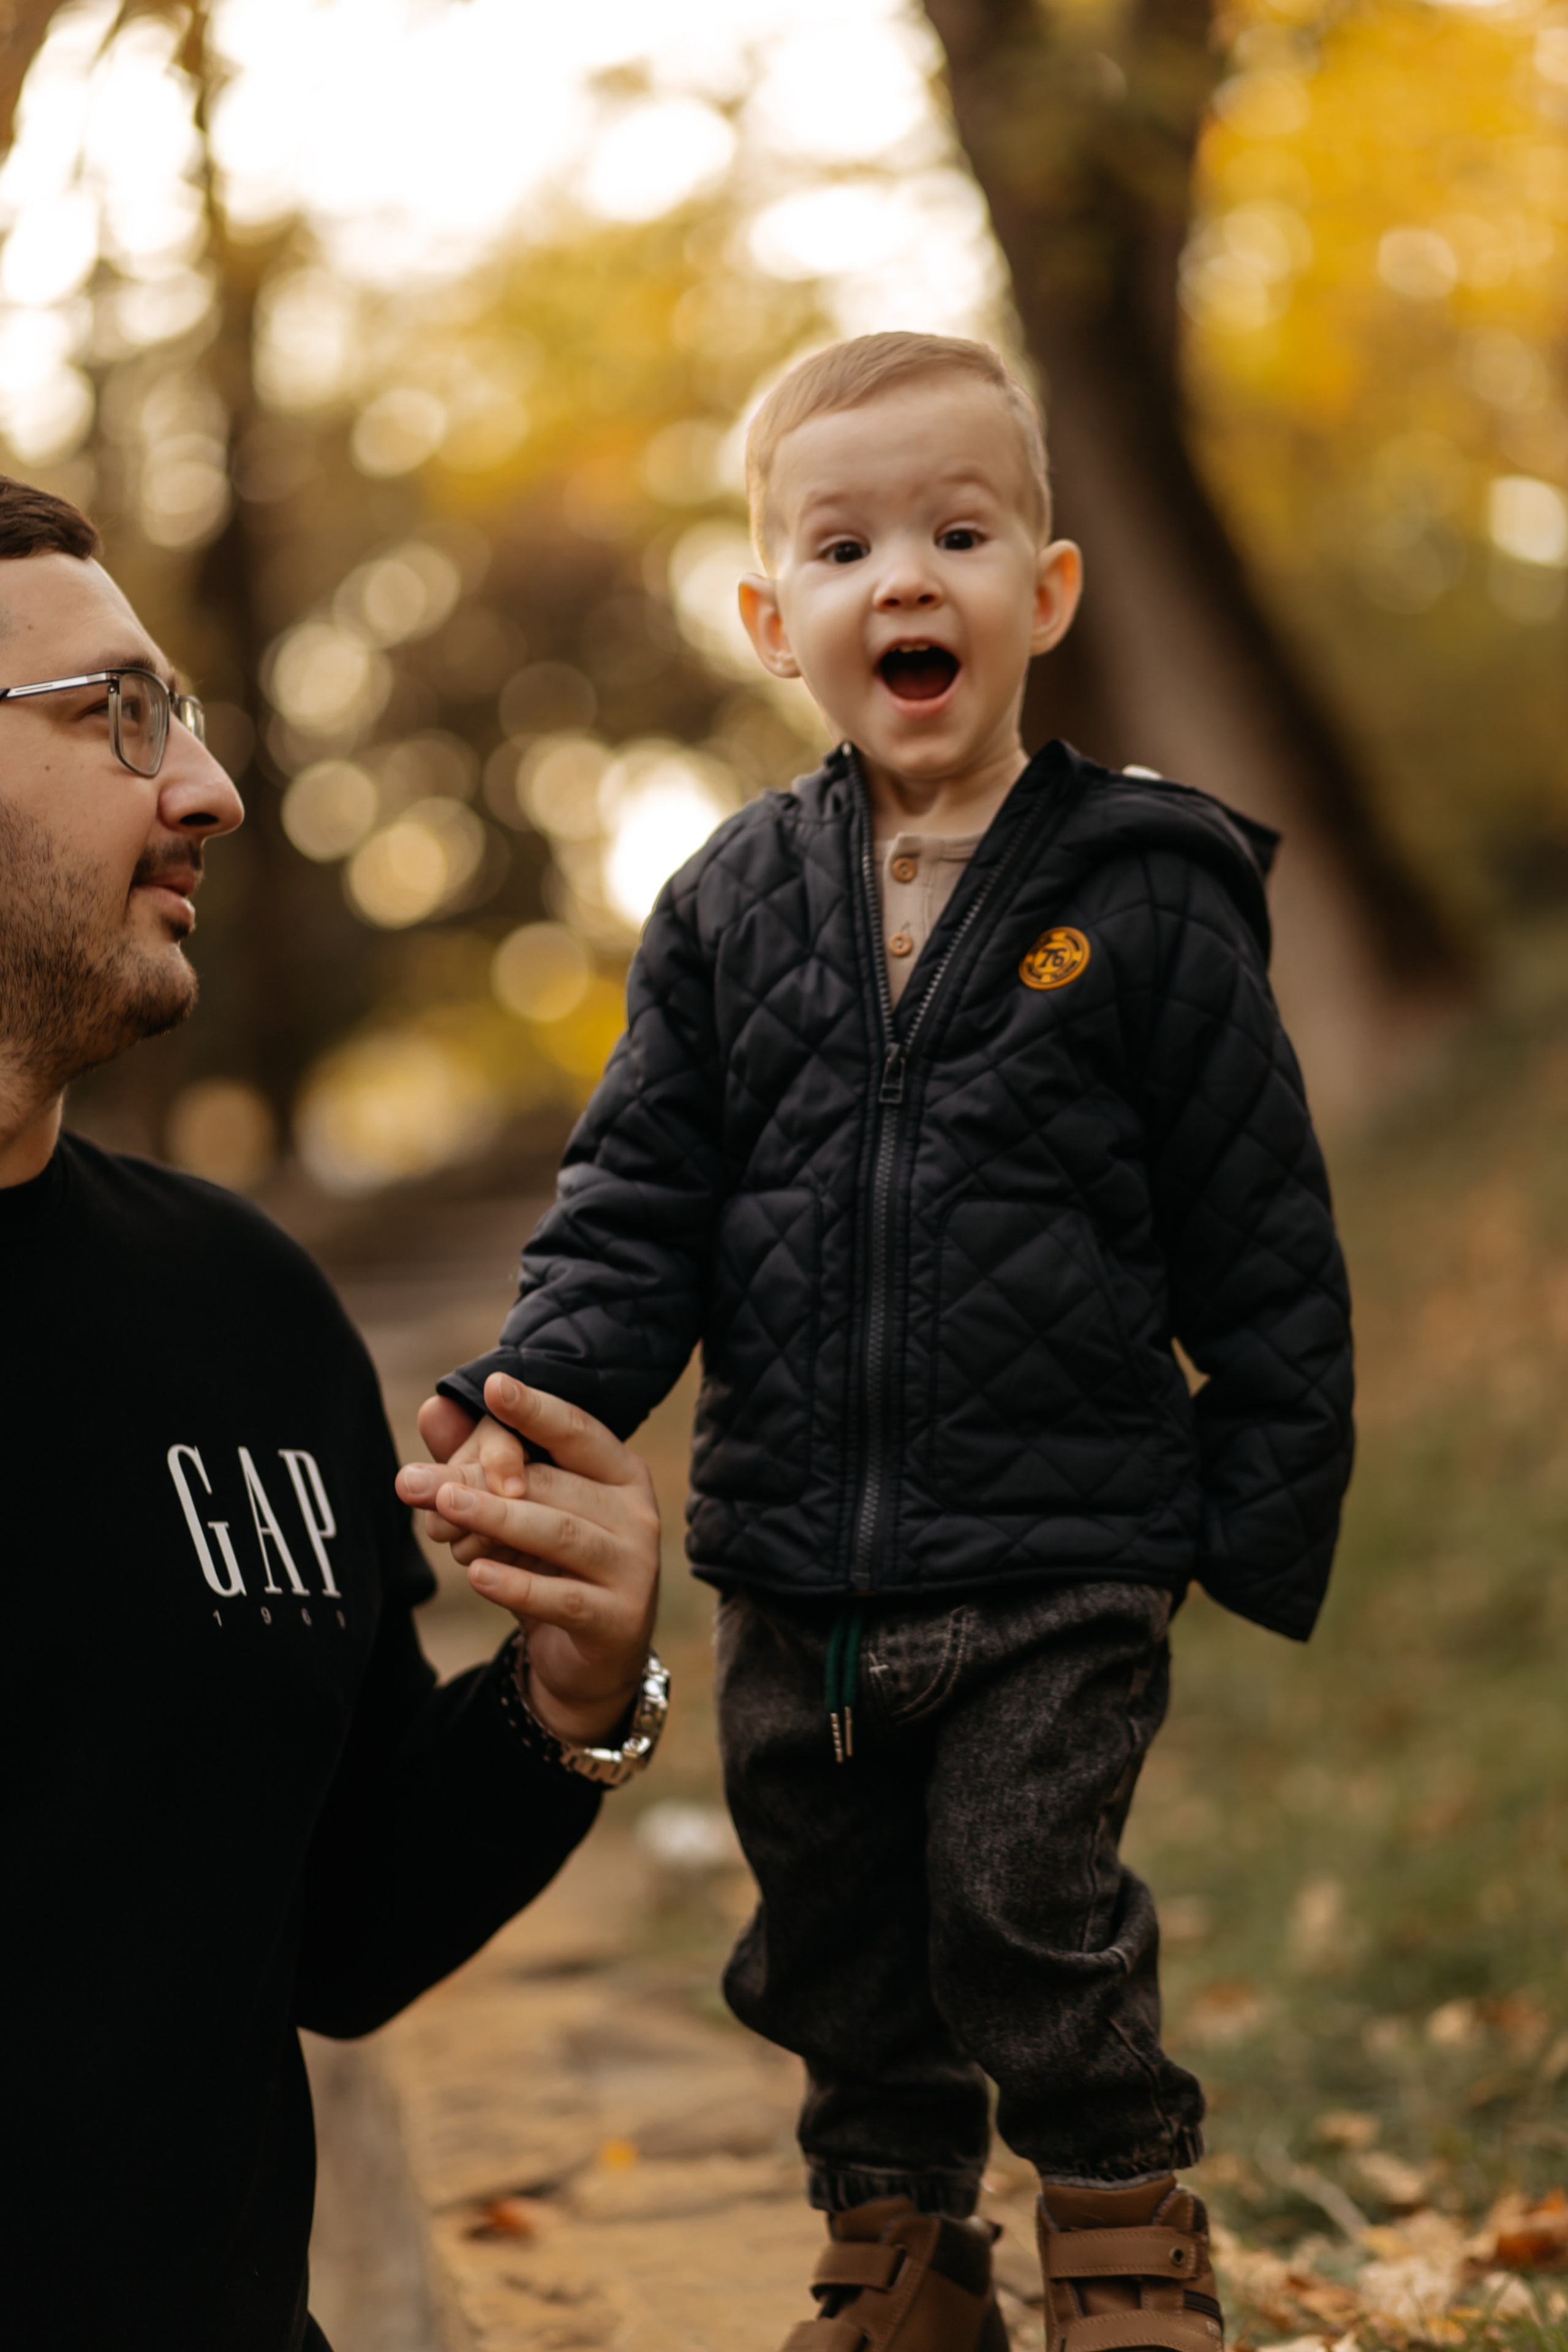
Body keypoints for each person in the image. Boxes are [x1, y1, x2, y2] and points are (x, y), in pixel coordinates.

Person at [413, 333, 1355, 2352]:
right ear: (776, 620)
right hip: (797, 1568)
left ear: (1049, 588)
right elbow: (638, 1193)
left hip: (1062, 1538)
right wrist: (539, 1396)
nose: (904, 579)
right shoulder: (731, 907)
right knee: (839, 1936)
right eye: (845, 548)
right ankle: (901, 2260)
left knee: (1025, 1897)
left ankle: (1121, 2230)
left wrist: (1261, 1503)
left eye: (958, 530)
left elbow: (1259, 1227)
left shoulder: (1147, 894)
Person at [0, 477, 668, 2352]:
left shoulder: (239, 1313)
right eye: (120, 717)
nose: (207, 786)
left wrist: (568, 1698)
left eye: (189, 715)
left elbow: (342, 1935)